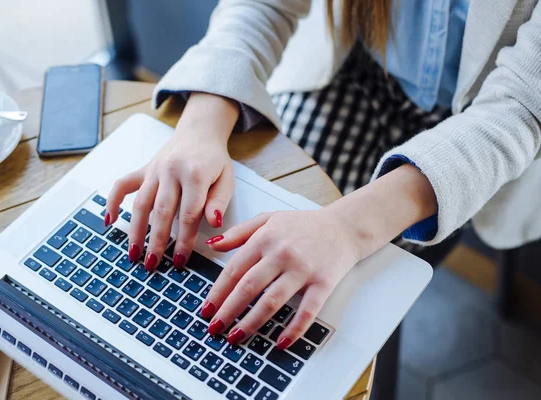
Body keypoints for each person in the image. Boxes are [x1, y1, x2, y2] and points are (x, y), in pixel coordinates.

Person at [105, 0, 541, 351]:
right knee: (251, 245)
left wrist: (347, 230)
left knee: (334, 309)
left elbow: (520, 109)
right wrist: (200, 124)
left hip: (470, 133)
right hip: (347, 69)